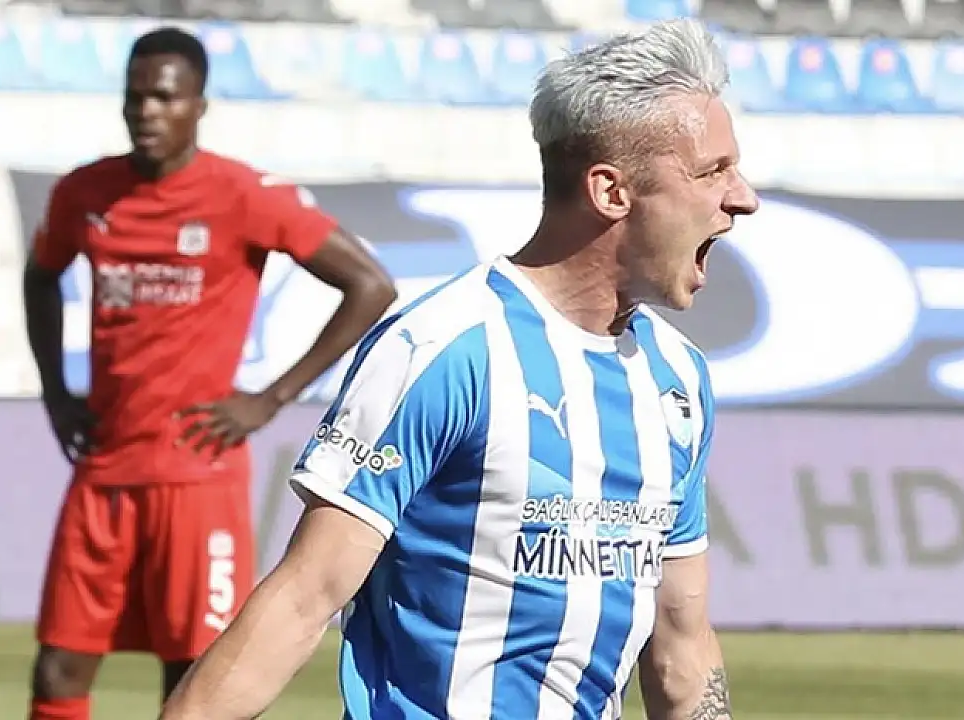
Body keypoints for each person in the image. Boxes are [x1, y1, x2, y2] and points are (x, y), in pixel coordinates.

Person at [160, 18, 757, 720]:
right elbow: (303, 598)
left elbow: (681, 645)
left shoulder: (677, 379)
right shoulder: (444, 349)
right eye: (712, 171)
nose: (742, 197)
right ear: (611, 192)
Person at [22, 26, 398, 720]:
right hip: (104, 468)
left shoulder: (243, 194)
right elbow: (40, 276)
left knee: (193, 676)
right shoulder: (85, 192)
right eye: (136, 97)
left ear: (199, 105)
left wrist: (271, 398)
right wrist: (55, 392)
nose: (147, 112)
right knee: (58, 668)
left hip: (196, 473)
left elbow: (370, 285)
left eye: (165, 98)